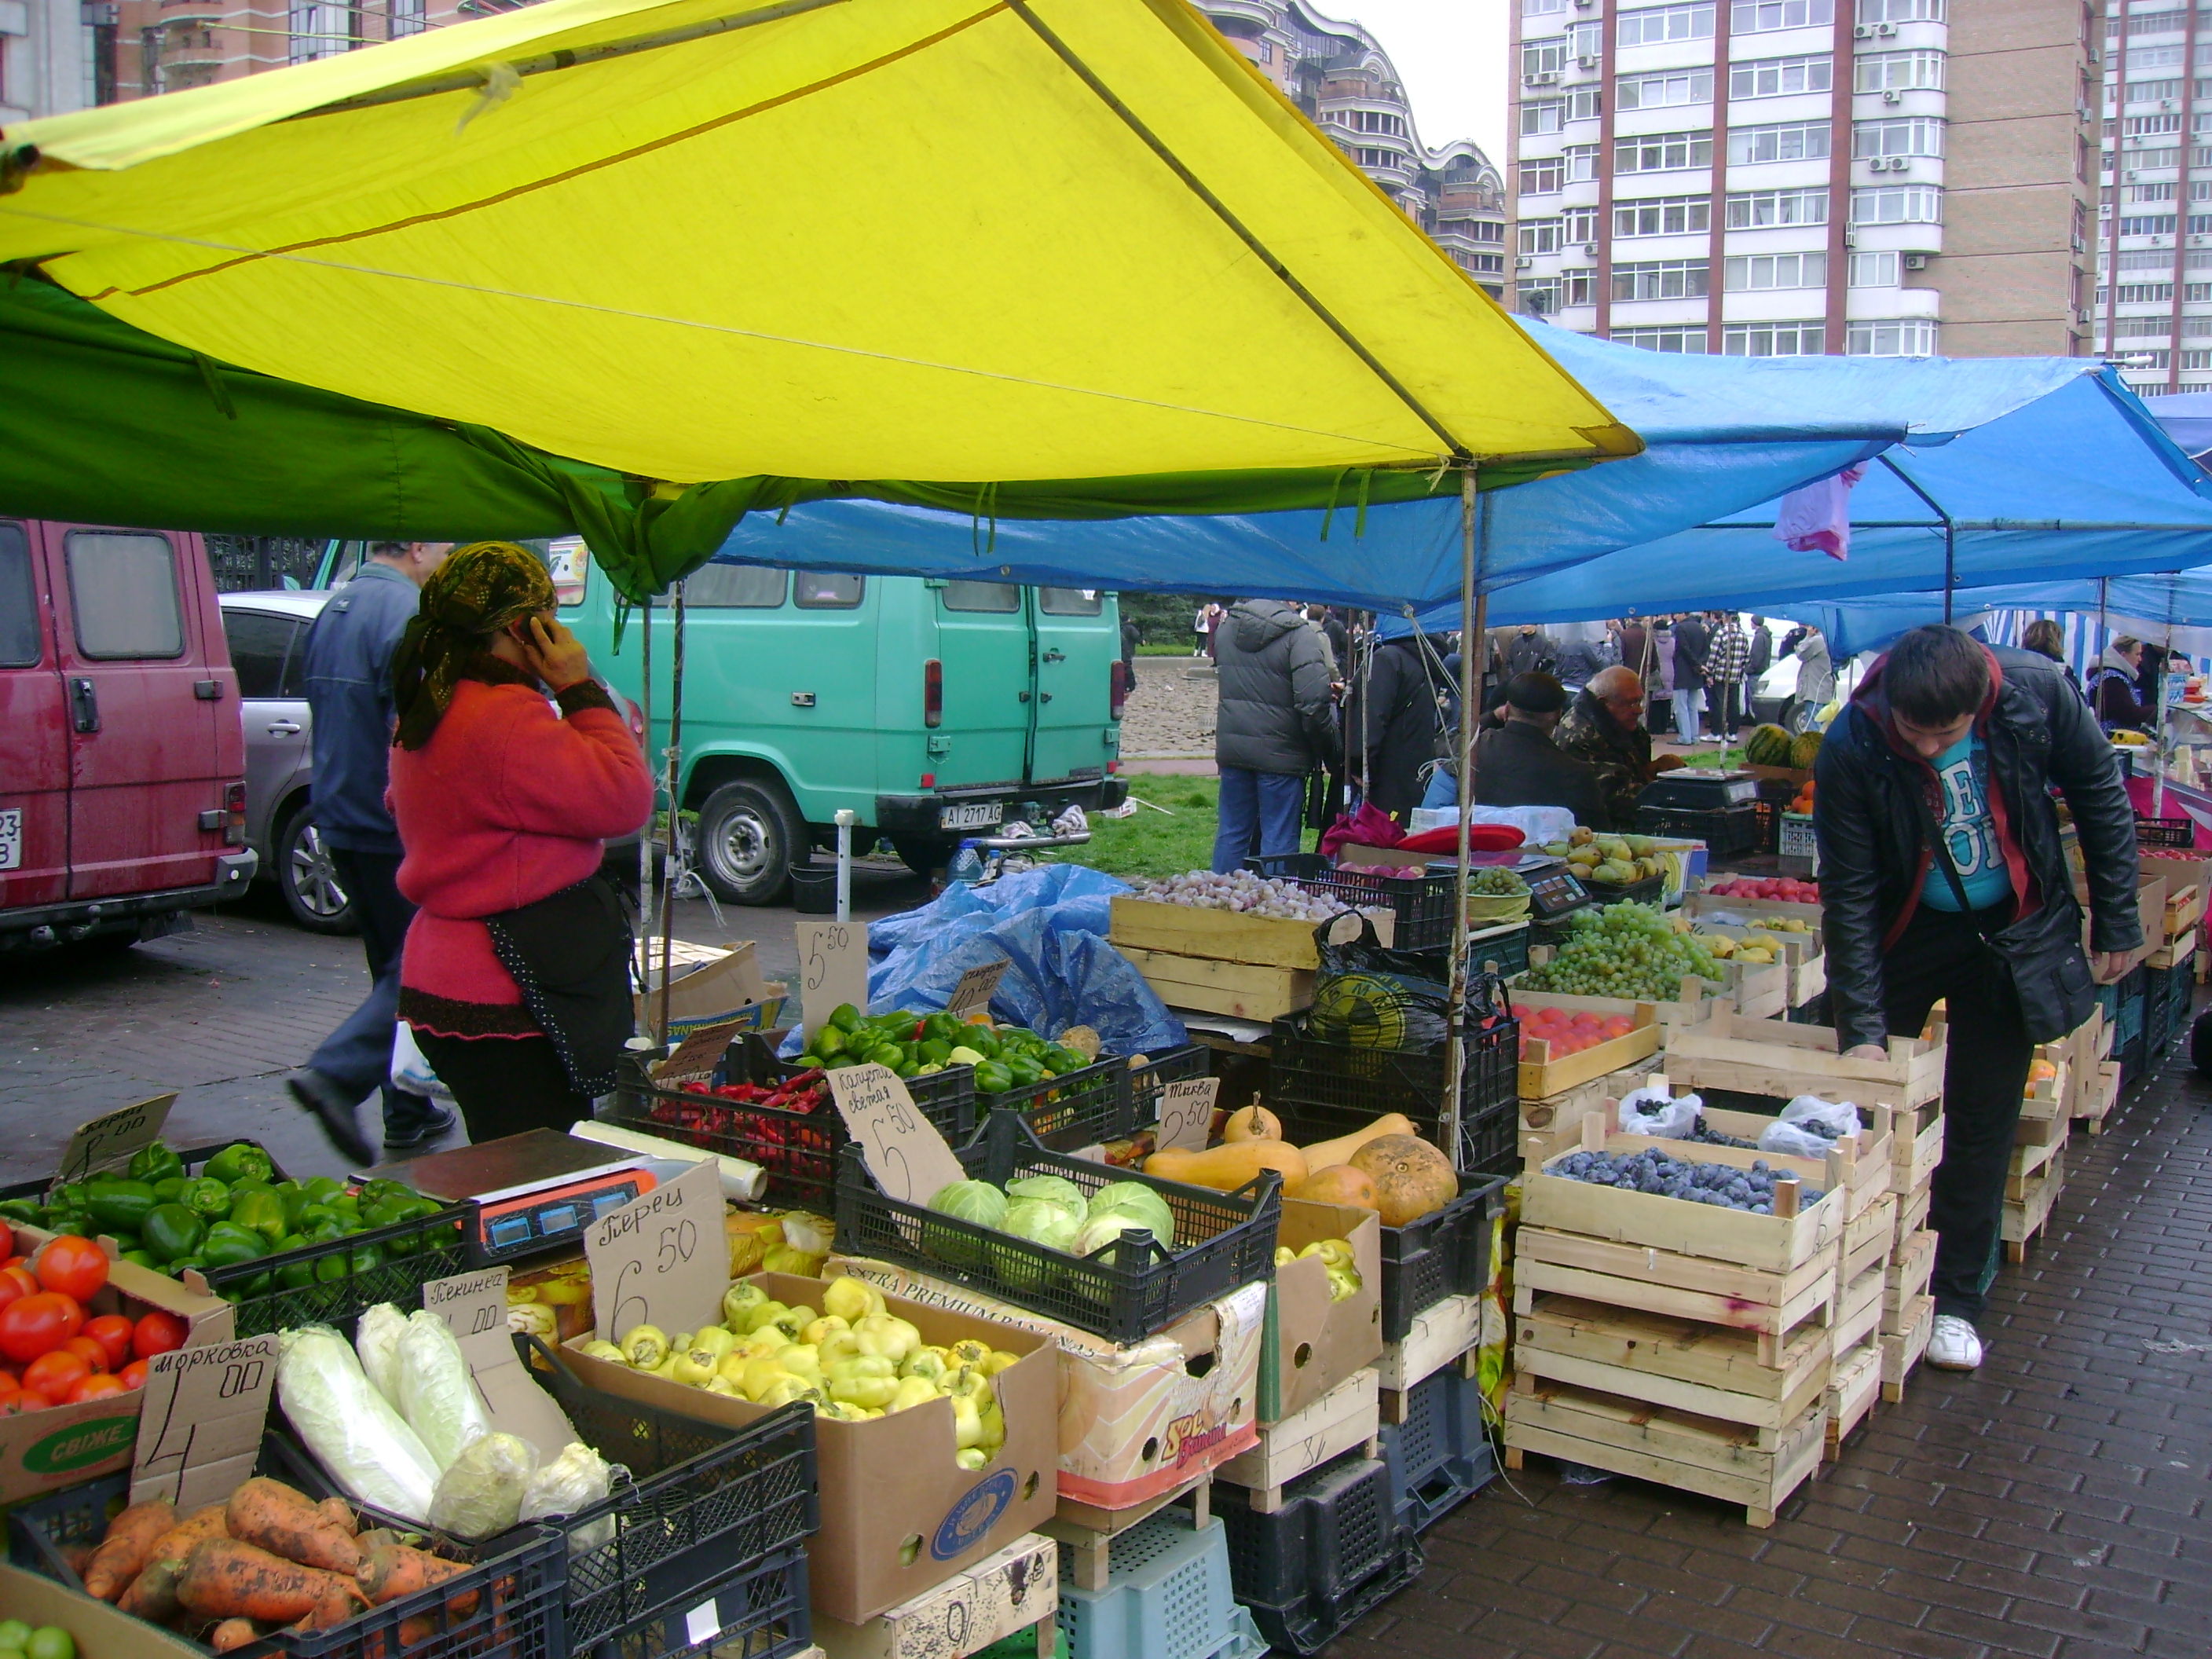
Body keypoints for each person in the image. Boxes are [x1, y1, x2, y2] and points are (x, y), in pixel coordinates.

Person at [1816, 625, 2140, 1373]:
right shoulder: (1853, 742)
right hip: (1905, 929)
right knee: (1864, 1105)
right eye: (1914, 733)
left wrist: (2117, 916)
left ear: (1981, 706)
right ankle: (1854, 1278)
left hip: (2012, 931)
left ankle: (1958, 1300)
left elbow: (2100, 792)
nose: (1929, 748)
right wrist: (1861, 1026)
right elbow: (1849, 888)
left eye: (1947, 734)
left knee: (1983, 1117)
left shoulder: (2037, 693)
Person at [388, 543, 656, 1141]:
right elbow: (626, 799)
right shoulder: (504, 717)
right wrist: (578, 687)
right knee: (535, 1171)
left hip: (446, 976)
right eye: (552, 616)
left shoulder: (433, 705)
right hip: (508, 989)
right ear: (523, 628)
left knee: (505, 1157)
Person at [286, 540, 456, 1166]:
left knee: (394, 964)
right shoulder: (409, 615)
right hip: (388, 820)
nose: (449, 559)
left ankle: (407, 1109)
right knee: (419, 970)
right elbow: (416, 731)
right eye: (446, 547)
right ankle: (338, 1073)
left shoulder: (336, 609)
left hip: (339, 811)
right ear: (417, 547)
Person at [1211, 599, 1338, 870]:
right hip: (1283, 750)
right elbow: (1313, 704)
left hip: (1235, 745)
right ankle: (1274, 895)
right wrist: (1328, 749)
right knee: (1278, 839)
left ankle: (1219, 892)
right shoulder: (1300, 635)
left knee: (1232, 832)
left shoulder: (1227, 629)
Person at [1472, 672, 1606, 828]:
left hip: (1478, 840)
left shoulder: (1477, 747)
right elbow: (1600, 833)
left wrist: (1492, 717)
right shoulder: (1576, 774)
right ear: (1559, 716)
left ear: (1506, 711)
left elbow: (1453, 739)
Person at [1349, 630, 1445, 822]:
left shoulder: (1389, 658)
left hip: (1381, 775)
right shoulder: (1423, 662)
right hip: (1411, 774)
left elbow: (1372, 718)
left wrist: (1360, 765)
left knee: (1368, 835)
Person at [1556, 666, 1654, 833]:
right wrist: (1669, 795)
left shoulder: (1618, 722)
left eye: (1639, 701)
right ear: (1604, 703)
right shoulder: (1580, 736)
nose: (1638, 710)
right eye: (1631, 703)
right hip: (1597, 830)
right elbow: (1619, 798)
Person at [2089, 637, 2155, 731]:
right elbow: (2129, 715)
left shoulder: (2110, 675)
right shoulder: (2112, 680)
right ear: (2123, 655)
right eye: (2137, 654)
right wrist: (2158, 711)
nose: (2140, 659)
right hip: (2109, 736)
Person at [1705, 612, 1749, 742]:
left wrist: (1709, 673)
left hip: (1720, 675)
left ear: (1725, 618)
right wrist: (1740, 671)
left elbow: (1714, 655)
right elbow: (1746, 658)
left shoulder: (1721, 633)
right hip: (1735, 676)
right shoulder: (1743, 635)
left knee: (1718, 704)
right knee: (1733, 704)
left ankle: (1716, 732)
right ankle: (1732, 732)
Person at [1671, 612, 1709, 745]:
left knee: (1680, 706)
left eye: (1676, 614)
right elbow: (1706, 650)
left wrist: (1695, 664)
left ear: (1683, 614)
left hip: (1682, 671)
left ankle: (1685, 737)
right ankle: (1694, 736)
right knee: (1692, 706)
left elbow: (1684, 649)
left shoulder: (1680, 628)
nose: (1675, 617)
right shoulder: (1700, 628)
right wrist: (1700, 665)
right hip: (1696, 673)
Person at [1793, 624, 1835, 720]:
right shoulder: (1828, 639)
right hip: (1823, 689)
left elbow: (1801, 653)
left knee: (1814, 724)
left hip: (1815, 691)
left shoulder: (1818, 640)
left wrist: (1808, 636)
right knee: (1821, 724)